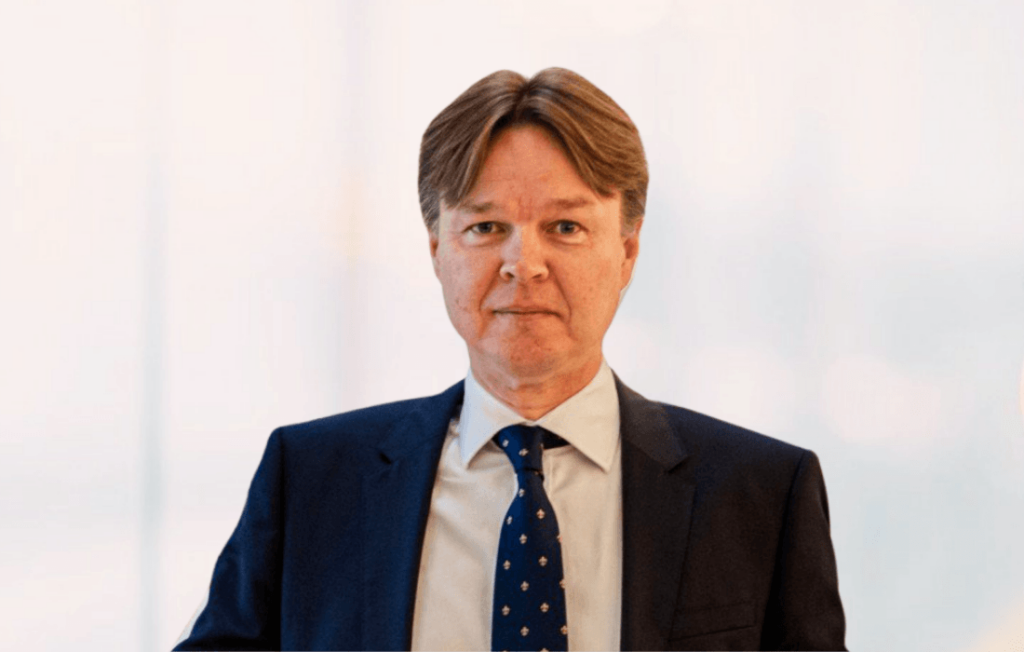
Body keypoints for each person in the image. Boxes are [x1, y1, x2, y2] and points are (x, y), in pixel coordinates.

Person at [173, 67, 846, 651]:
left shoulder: (760, 493)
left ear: (627, 253)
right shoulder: (312, 481)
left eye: (566, 227)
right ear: (437, 250)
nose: (524, 264)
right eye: (486, 227)